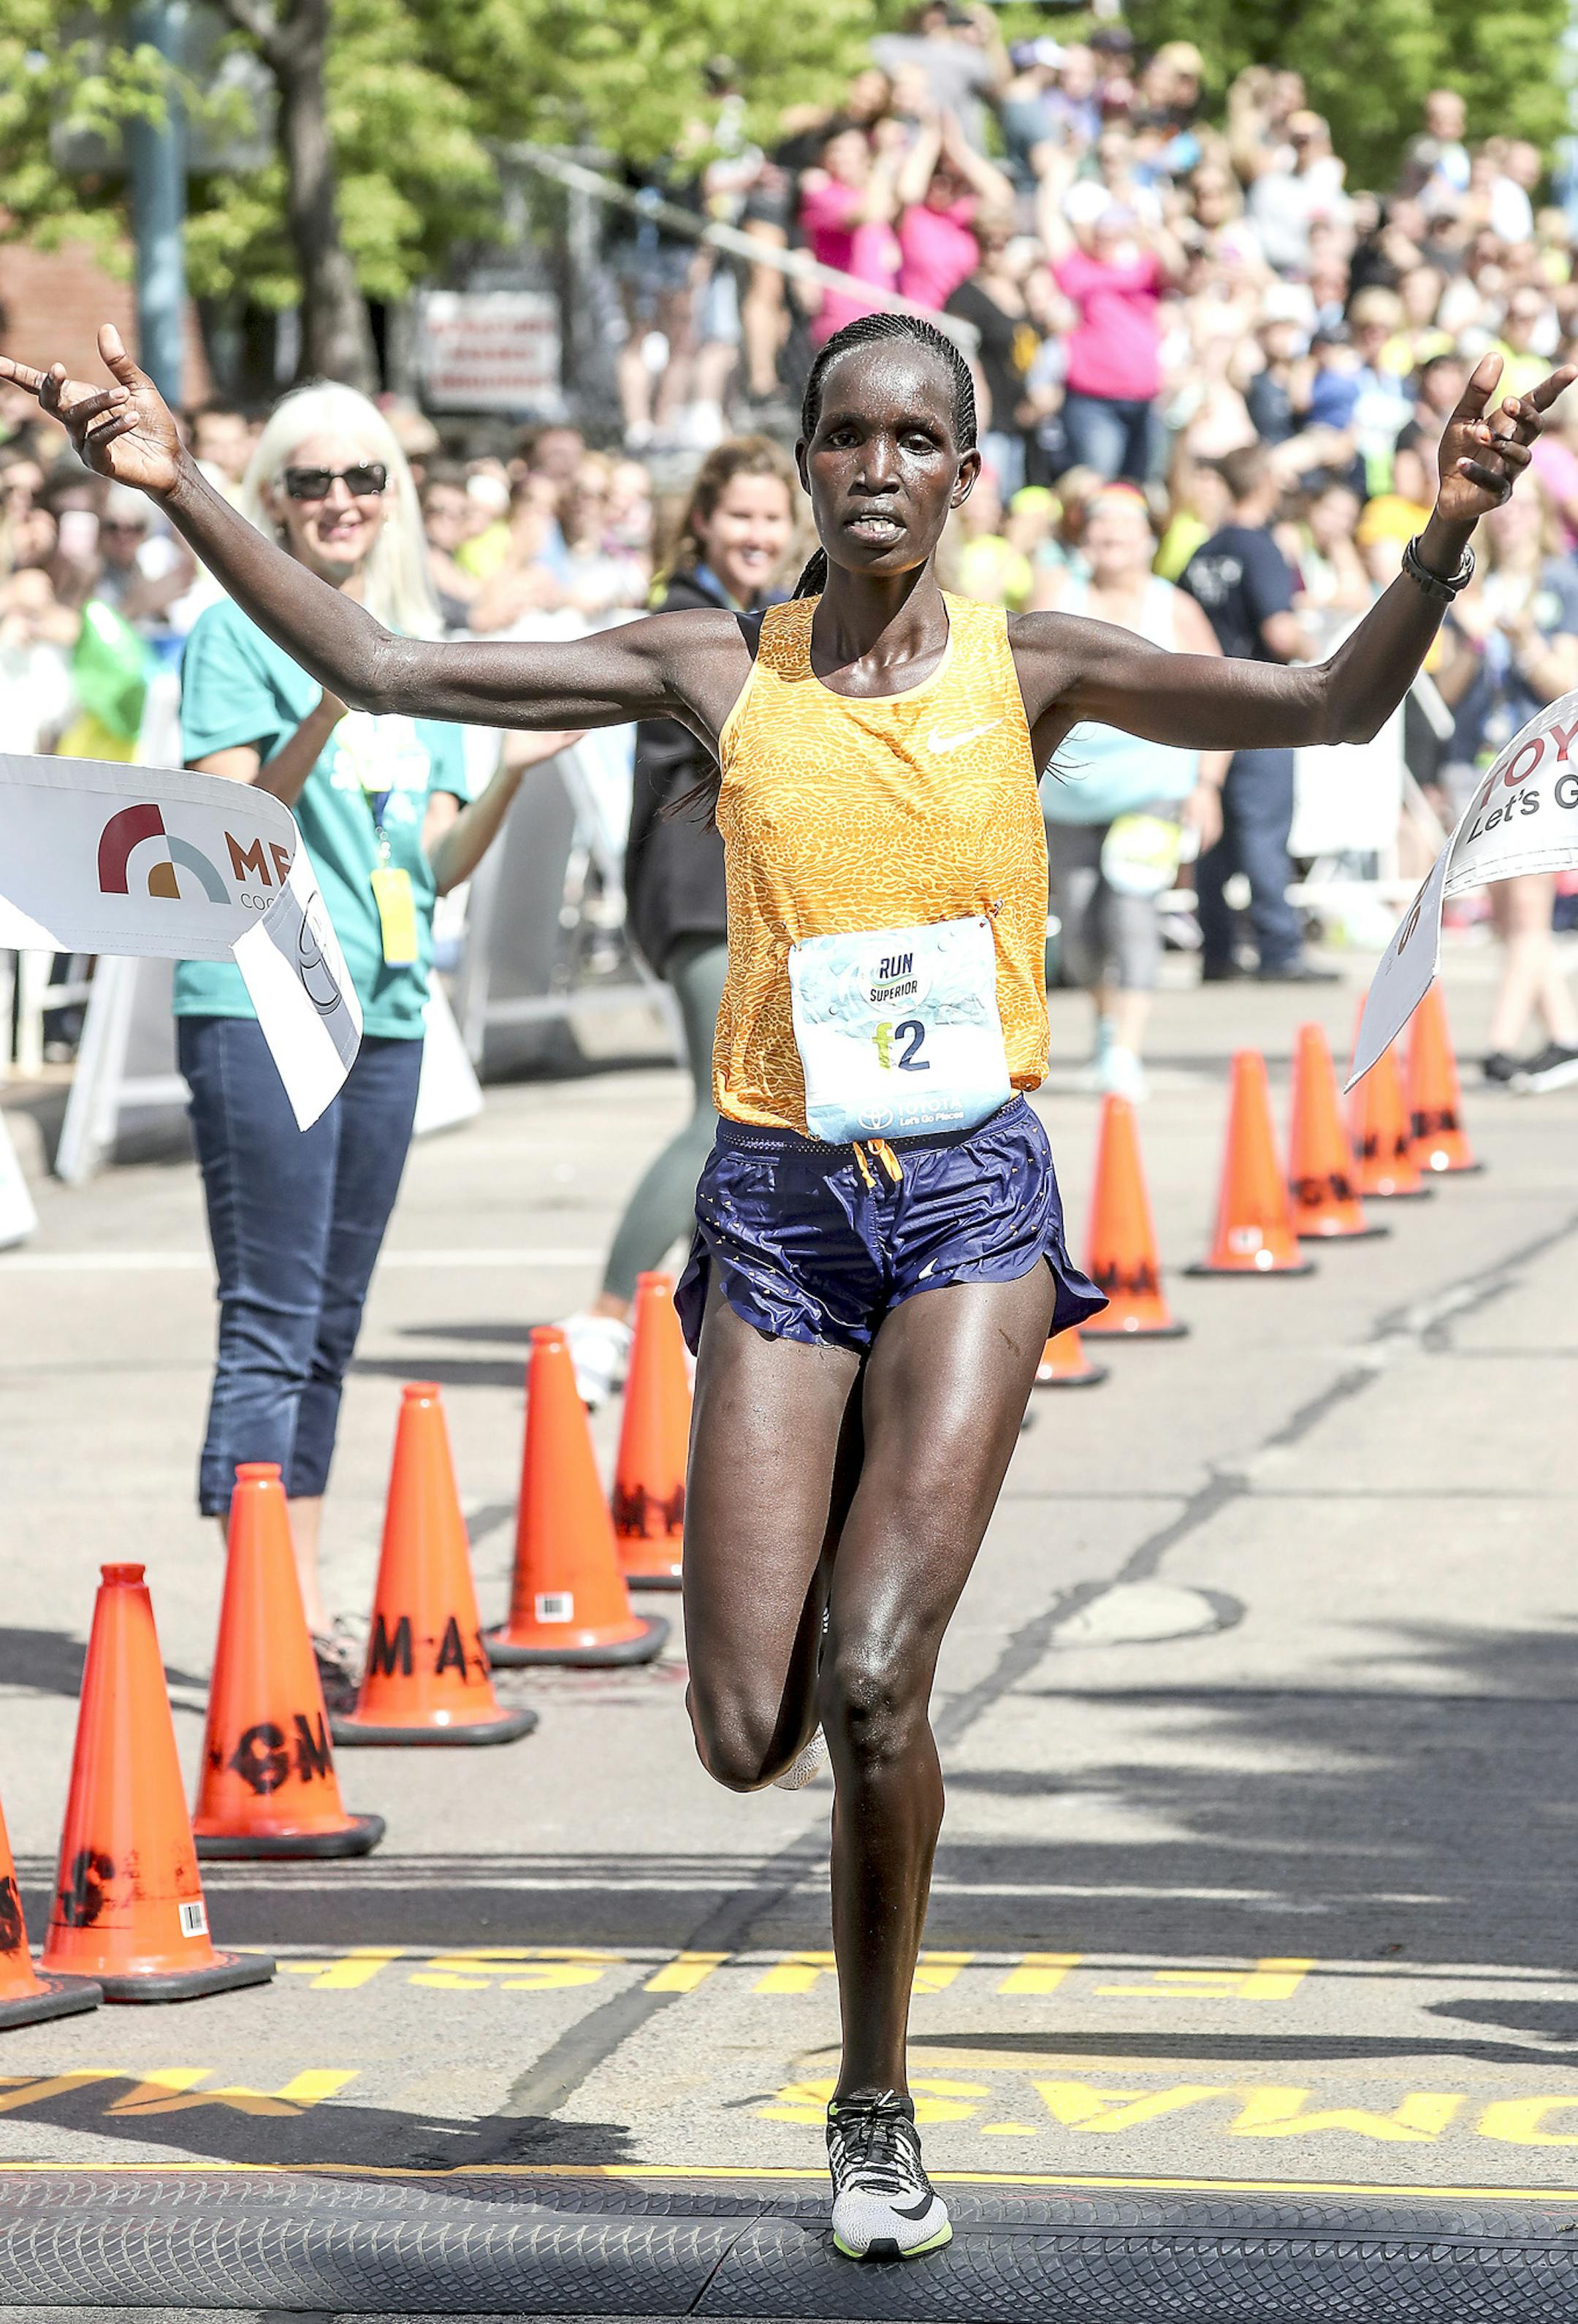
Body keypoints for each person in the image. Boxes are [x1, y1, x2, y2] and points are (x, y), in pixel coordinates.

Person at [18, 310, 1561, 2266]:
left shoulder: (1043, 664)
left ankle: (876, 2098)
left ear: (970, 467)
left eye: (923, 436)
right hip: (777, 1215)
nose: (883, 466)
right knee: (747, 1722)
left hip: (976, 1207)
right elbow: (383, 658)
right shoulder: (709, 662)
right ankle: (847, 1537)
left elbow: (1332, 708)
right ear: (807, 460)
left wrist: (1440, 541)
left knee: (871, 1676)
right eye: (850, 435)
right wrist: (178, 488)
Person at [113, 379, 577, 1688]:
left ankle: (292, 1594)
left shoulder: (413, 644)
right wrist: (331, 690)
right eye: (310, 482)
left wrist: (504, 779)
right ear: (268, 501)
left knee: (330, 1317)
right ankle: (275, 1608)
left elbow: (430, 869)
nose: (338, 503)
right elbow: (231, 839)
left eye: (363, 480)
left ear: (393, 500)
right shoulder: (231, 637)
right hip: (260, 1002)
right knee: (268, 1315)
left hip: (383, 1008)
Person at [559, 438, 798, 1406]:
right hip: (701, 894)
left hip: (739, 894)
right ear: (702, 519)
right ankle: (605, 1315)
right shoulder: (694, 623)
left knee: (752, 1120)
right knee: (723, 1112)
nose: (757, 533)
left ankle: (713, 1318)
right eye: (740, 515)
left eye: (772, 518)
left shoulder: (769, 619)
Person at [1039, 487, 1227, 1100]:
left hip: (1153, 787)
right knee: (1084, 925)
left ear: (1149, 540)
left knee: (1133, 907)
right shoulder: (1053, 596)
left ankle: (1127, 1050)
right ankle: (1105, 1025)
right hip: (1067, 797)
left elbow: (1218, 698)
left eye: (1125, 524)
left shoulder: (1173, 607)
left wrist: (1207, 785)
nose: (1111, 534)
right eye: (1099, 524)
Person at [1180, 443, 1332, 983]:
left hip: (1205, 704)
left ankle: (1217, 952)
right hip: (1260, 703)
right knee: (1264, 829)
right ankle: (1278, 950)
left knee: (1214, 834)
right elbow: (1280, 633)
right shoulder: (1262, 548)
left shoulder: (1203, 551)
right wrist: (1318, 635)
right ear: (1264, 482)